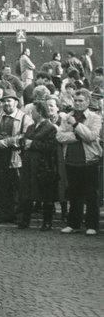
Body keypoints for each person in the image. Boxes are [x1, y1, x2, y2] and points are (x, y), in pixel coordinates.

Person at [55, 89, 102, 235]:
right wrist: (77, 136)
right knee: (74, 193)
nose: (77, 103)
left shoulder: (95, 117)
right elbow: (59, 136)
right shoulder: (67, 117)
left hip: (89, 160)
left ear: (88, 102)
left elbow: (91, 136)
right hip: (71, 159)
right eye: (75, 100)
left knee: (91, 194)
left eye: (81, 100)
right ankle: (73, 223)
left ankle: (92, 225)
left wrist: (76, 126)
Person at [0, 89, 31, 224]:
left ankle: (19, 214)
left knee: (17, 186)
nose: (6, 104)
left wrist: (9, 141)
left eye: (9, 101)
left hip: (16, 155)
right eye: (4, 101)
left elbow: (26, 135)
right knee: (1, 185)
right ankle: (6, 213)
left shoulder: (24, 118)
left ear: (16, 102)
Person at [17, 100, 59, 230]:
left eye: (33, 111)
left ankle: (47, 222)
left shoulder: (50, 128)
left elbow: (50, 147)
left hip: (42, 165)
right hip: (29, 163)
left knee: (44, 193)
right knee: (27, 192)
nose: (31, 113)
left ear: (40, 112)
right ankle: (25, 220)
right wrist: (23, 142)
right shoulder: (31, 127)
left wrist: (32, 144)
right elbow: (26, 139)